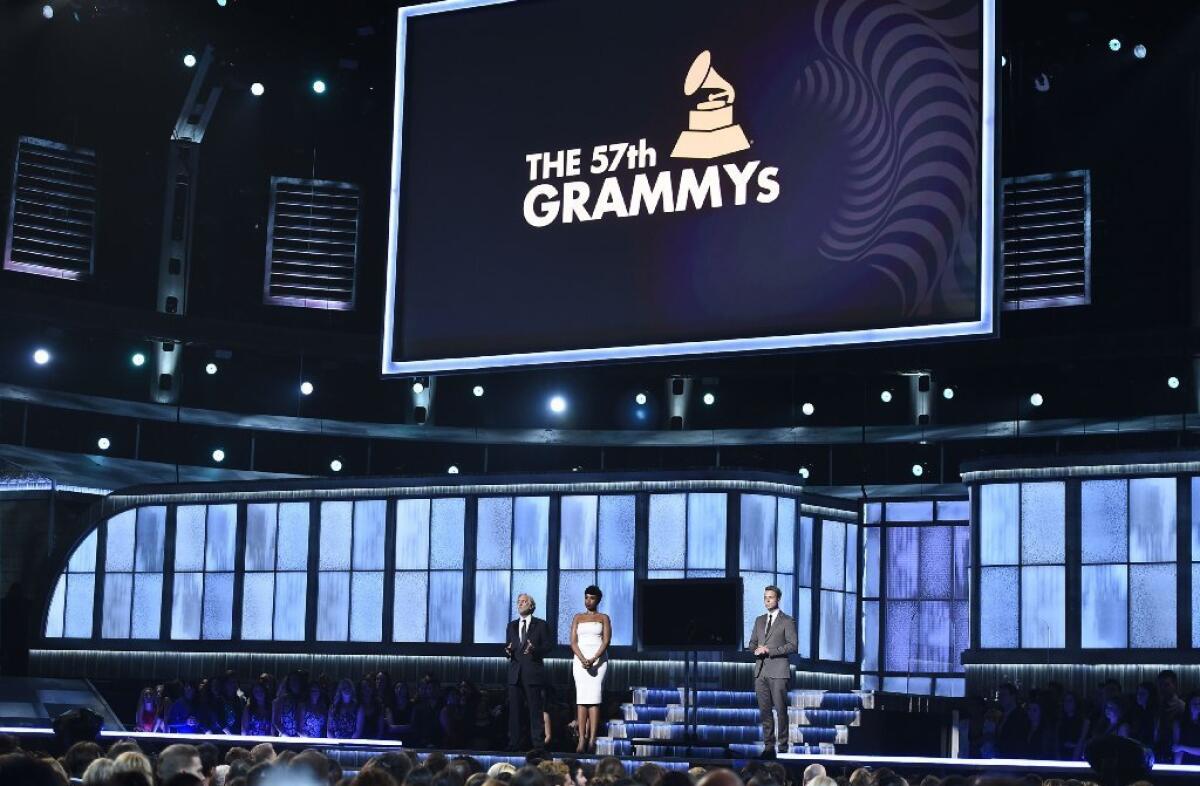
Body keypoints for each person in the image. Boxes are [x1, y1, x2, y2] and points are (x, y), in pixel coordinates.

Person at [746, 585, 797, 758]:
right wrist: (755, 650)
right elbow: (751, 643)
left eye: (771, 597)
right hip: (760, 672)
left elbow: (793, 646)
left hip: (779, 671)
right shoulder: (759, 620)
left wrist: (770, 650)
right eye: (765, 597)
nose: (767, 600)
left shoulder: (787, 621)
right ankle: (769, 746)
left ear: (778, 599)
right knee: (765, 711)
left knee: (781, 711)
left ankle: (782, 746)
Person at [506, 592, 553, 753]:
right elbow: (510, 646)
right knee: (515, 712)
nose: (520, 604)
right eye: (518, 601)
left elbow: (548, 647)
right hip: (515, 673)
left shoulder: (541, 625)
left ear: (531, 606)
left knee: (535, 710)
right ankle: (514, 744)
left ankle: (538, 746)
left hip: (532, 672)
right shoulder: (511, 625)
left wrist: (535, 650)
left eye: (524, 601)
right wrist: (508, 650)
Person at [570, 585, 611, 754]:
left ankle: (592, 739)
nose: (588, 601)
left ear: (598, 600)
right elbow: (573, 642)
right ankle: (581, 739)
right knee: (581, 699)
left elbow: (606, 640)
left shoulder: (604, 617)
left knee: (594, 699)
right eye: (586, 597)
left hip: (598, 660)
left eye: (592, 598)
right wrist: (582, 658)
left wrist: (594, 659)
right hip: (580, 660)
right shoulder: (577, 617)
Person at [1173, 691, 1200, 764]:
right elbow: (1176, 748)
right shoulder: (1179, 722)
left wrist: (1183, 747)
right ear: (1189, 704)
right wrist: (1177, 768)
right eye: (1194, 703)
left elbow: (1179, 747)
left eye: (1199, 704)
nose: (1197, 706)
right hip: (1185, 761)